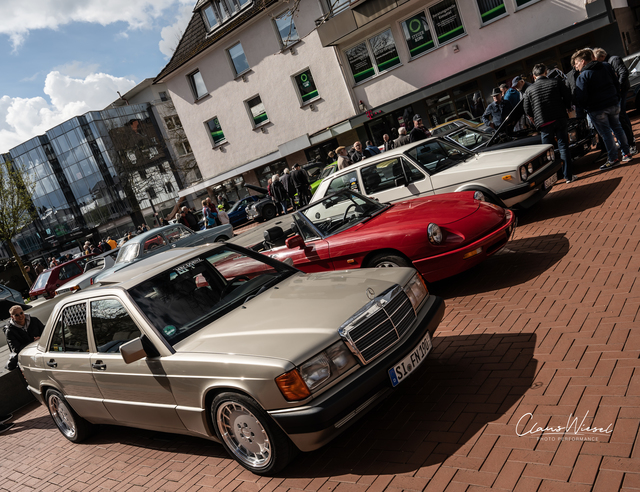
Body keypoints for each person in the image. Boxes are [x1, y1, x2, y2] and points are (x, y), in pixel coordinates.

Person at [574, 48, 633, 170]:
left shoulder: (583, 76)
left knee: (606, 133)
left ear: (583, 61)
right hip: (612, 103)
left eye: (577, 63)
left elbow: (581, 96)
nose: (576, 66)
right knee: (617, 128)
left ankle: (613, 158)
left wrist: (586, 107)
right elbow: (616, 82)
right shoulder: (606, 66)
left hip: (597, 108)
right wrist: (616, 96)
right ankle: (626, 153)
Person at [523, 63, 576, 183]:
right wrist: (567, 107)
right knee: (563, 147)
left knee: (546, 152)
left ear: (534, 76)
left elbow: (526, 109)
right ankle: (568, 176)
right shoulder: (556, 82)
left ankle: (549, 179)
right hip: (559, 118)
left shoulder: (529, 90)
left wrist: (534, 118)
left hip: (543, 123)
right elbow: (567, 96)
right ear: (546, 72)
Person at [594, 47, 637, 154]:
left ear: (602, 57)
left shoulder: (613, 60)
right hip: (617, 91)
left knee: (621, 114)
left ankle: (630, 141)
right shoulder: (608, 62)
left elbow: (623, 72)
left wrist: (618, 87)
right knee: (621, 115)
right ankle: (628, 139)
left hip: (621, 91)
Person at [4, 305, 44, 371]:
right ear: (12, 317)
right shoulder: (10, 331)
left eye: (21, 313)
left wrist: (41, 338)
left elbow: (45, 333)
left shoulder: (34, 320)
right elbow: (16, 349)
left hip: (42, 350)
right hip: (27, 357)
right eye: (16, 315)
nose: (20, 316)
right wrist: (33, 342)